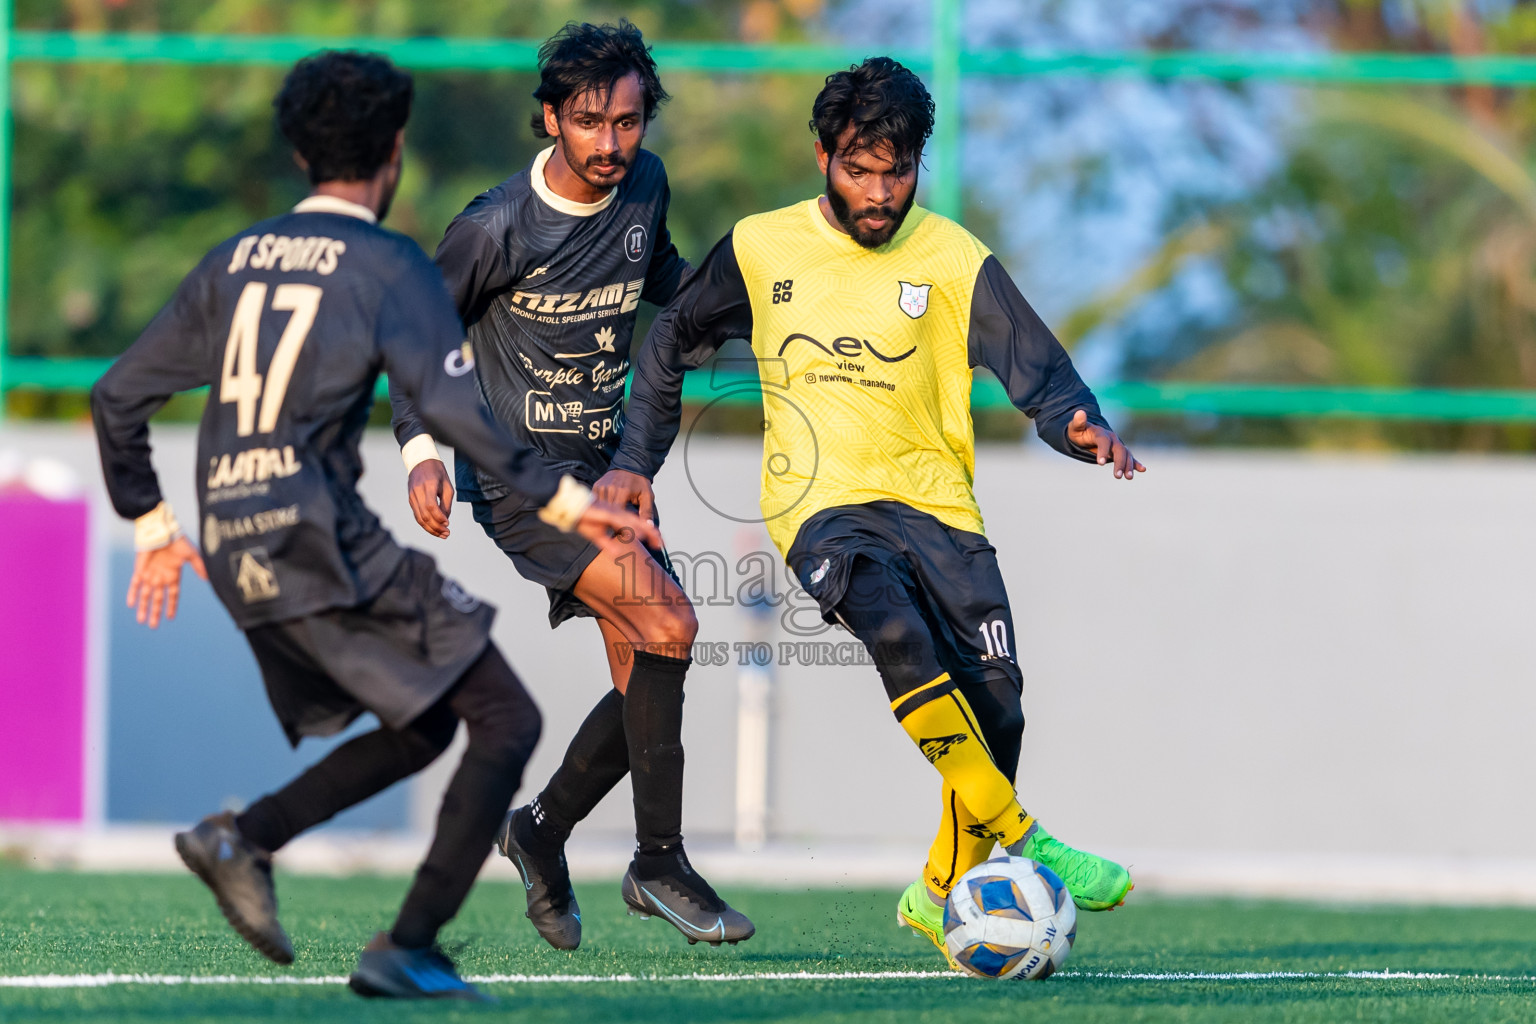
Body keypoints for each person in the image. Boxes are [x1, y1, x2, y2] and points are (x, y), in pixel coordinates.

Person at [90, 50, 657, 1001]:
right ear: (392, 152)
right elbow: (458, 407)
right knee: (508, 718)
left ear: (302, 152)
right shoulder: (388, 262)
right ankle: (406, 946)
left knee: (431, 722)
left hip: (233, 543)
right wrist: (564, 499)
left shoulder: (236, 258)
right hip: (319, 535)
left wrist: (154, 525)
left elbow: (116, 398)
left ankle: (244, 837)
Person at [597, 56, 1143, 968]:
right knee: (895, 632)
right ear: (823, 156)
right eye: (860, 169)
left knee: (998, 710)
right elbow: (667, 348)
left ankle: (936, 895)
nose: (880, 192)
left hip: (941, 509)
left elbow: (1040, 373)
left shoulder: (955, 257)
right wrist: (633, 464)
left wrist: (1078, 425)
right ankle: (1030, 840)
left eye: (897, 172)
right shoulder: (762, 247)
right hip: (822, 509)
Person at [386, 20, 751, 948]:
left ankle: (539, 833)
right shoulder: (493, 225)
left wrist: (769, 304)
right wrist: (419, 451)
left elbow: (663, 281)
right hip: (523, 482)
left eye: (628, 123)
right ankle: (658, 862)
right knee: (672, 622)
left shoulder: (647, 186)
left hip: (612, 474)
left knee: (645, 670)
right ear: (551, 118)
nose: (610, 144)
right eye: (590, 123)